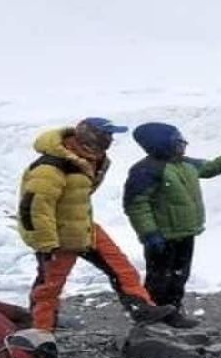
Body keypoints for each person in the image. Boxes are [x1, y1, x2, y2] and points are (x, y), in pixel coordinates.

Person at [18, 117, 175, 331]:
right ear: (91, 136)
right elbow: (33, 207)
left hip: (84, 226)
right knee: (49, 286)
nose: (110, 139)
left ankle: (141, 309)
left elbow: (78, 194)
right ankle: (40, 333)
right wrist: (45, 243)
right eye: (106, 134)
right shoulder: (51, 167)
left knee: (121, 267)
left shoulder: (89, 160)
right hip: (59, 236)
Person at [122, 122, 221, 329]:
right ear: (161, 145)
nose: (183, 145)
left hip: (185, 231)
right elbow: (136, 204)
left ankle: (173, 311)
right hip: (162, 236)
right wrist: (150, 234)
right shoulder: (146, 170)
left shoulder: (185, 164)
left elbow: (212, 167)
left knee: (179, 275)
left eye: (182, 141)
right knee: (159, 278)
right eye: (178, 142)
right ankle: (151, 314)